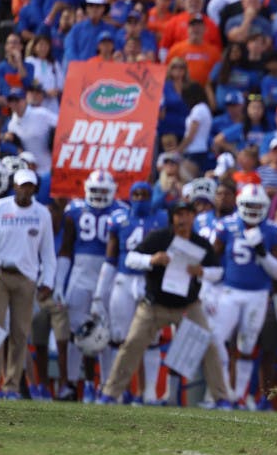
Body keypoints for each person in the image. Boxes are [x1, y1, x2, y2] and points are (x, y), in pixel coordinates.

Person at [98, 200, 232, 408]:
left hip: (188, 305)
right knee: (132, 344)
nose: (184, 219)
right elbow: (130, 259)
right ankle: (110, 393)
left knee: (210, 346)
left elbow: (218, 272)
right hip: (155, 304)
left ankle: (221, 397)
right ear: (173, 218)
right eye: (180, 215)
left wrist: (202, 272)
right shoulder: (159, 238)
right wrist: (151, 260)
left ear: (193, 218)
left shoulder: (200, 243)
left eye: (188, 214)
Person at [0, 168, 56, 399]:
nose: (25, 190)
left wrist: (48, 281)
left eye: (29, 186)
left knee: (20, 332)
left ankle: (12, 386)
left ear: (34, 188)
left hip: (26, 277)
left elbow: (48, 252)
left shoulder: (42, 213)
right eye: (22, 185)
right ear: (14, 185)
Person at [210, 184, 277, 408]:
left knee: (246, 346)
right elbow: (211, 257)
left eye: (257, 206)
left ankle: (240, 395)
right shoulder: (226, 226)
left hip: (258, 294)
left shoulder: (272, 231)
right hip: (229, 291)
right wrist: (207, 285)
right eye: (249, 205)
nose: (253, 210)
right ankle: (224, 392)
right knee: (217, 339)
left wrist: (261, 251)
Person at [55, 170, 128, 402]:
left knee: (105, 332)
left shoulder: (121, 212)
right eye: (94, 191)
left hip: (106, 274)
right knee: (78, 332)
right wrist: (59, 282)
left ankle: (105, 386)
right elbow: (66, 248)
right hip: (79, 273)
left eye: (103, 191)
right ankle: (76, 385)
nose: (98, 196)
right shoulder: (74, 210)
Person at [94, 182, 170, 404]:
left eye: (144, 194)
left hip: (150, 280)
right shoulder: (118, 219)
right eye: (135, 194)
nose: (139, 198)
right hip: (124, 279)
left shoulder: (162, 219)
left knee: (152, 337)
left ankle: (149, 393)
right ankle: (114, 389)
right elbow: (110, 258)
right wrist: (100, 292)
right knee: (119, 337)